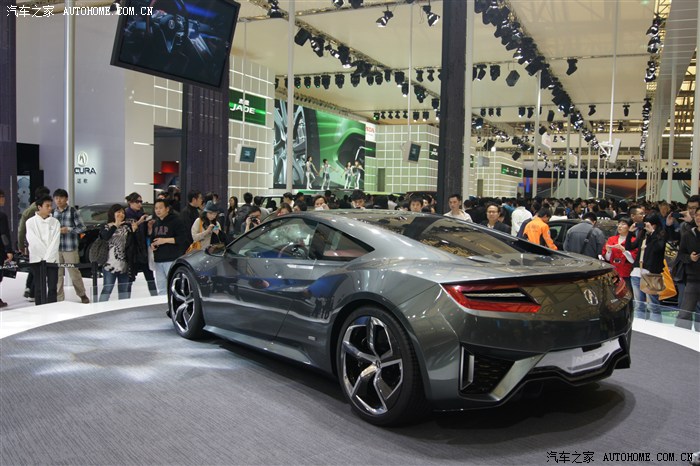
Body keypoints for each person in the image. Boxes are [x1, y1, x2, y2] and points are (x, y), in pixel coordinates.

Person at [626, 213, 667, 321]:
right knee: (639, 304)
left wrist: (652, 233)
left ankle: (656, 327)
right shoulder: (642, 235)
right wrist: (630, 233)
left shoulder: (660, 236)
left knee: (653, 305)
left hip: (651, 274)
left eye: (650, 224)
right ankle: (640, 326)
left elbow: (659, 248)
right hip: (637, 272)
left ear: (655, 225)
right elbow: (629, 247)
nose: (647, 226)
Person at [52, 189, 90, 304]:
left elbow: (82, 228)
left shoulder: (73, 211)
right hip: (56, 248)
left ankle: (82, 294)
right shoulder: (52, 212)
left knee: (74, 272)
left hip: (70, 248)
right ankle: (59, 298)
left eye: (61, 198)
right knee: (57, 274)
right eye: (56, 198)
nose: (58, 200)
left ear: (66, 199)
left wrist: (68, 229)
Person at [99, 204, 140, 301]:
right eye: (118, 212)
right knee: (107, 288)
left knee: (124, 290)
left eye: (122, 212)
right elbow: (105, 237)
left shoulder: (126, 227)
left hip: (124, 264)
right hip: (109, 264)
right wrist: (115, 225)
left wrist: (134, 231)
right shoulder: (105, 226)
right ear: (112, 213)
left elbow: (133, 244)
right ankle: (100, 306)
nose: (121, 214)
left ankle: (123, 308)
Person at [25, 195, 61, 305]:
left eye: (51, 206)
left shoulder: (55, 222)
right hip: (37, 259)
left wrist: (48, 257)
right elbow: (33, 241)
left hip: (52, 259)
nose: (50, 208)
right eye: (47, 206)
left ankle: (52, 309)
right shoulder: (30, 222)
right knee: (39, 288)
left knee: (52, 287)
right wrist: (44, 257)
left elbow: (55, 242)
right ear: (39, 207)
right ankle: (40, 309)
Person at [17, 186, 51, 302]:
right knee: (38, 268)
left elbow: (21, 230)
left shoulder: (30, 209)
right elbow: (22, 229)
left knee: (34, 267)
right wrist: (21, 246)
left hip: (33, 243)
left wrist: (21, 245)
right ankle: (32, 291)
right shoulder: (33, 211)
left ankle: (29, 288)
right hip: (37, 243)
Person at [149, 199, 188, 295]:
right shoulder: (155, 223)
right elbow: (153, 239)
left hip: (171, 259)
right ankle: (163, 303)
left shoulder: (176, 221)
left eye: (160, 208)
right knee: (161, 288)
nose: (158, 210)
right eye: (156, 208)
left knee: (174, 286)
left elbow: (182, 238)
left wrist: (165, 240)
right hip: (158, 260)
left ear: (167, 209)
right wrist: (152, 245)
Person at [124, 192, 158, 297]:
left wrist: (149, 227)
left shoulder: (142, 214)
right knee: (129, 278)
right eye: (137, 202)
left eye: (141, 201)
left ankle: (155, 298)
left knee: (150, 276)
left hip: (142, 250)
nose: (139, 204)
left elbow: (147, 234)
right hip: (131, 250)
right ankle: (125, 300)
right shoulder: (126, 215)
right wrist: (139, 222)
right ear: (130, 202)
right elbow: (127, 231)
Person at [675, 208, 700, 330]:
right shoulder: (688, 234)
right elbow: (681, 255)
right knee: (685, 311)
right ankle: (681, 336)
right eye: (697, 215)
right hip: (692, 279)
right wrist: (690, 258)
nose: (698, 218)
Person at [602, 218, 637, 294]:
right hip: (613, 272)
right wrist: (609, 251)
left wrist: (624, 251)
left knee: (627, 294)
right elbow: (607, 259)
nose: (620, 226)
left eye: (623, 224)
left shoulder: (634, 240)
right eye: (619, 224)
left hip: (626, 272)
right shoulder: (611, 239)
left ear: (629, 227)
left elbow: (633, 260)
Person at [0, 190, 12, 307]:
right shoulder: (2, 216)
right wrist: (8, 250)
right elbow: (3, 234)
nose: (4, 199)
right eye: (2, 197)